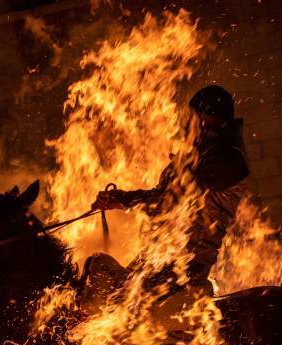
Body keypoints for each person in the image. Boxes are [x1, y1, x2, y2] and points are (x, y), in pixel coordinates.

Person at [86, 85, 249, 313]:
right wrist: (118, 199)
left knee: (117, 315)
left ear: (206, 120)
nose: (186, 125)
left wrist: (123, 200)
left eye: (192, 118)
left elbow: (170, 204)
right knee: (96, 269)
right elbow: (163, 196)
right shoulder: (200, 154)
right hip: (160, 261)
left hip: (184, 268)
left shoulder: (228, 159)